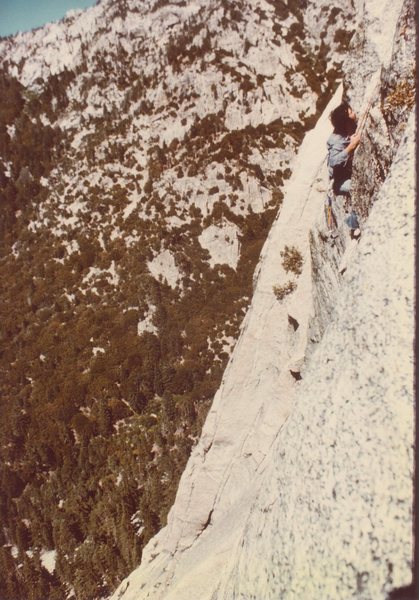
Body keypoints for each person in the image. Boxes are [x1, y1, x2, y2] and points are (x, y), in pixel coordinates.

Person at [327, 101, 361, 237]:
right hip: (338, 181)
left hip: (347, 173)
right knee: (354, 187)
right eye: (351, 112)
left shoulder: (349, 127)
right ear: (345, 120)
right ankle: (353, 224)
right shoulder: (336, 140)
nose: (354, 113)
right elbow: (334, 161)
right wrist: (351, 146)